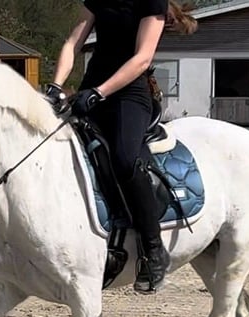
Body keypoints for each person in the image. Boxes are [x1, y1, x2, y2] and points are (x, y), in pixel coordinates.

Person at [45, 1, 198, 294]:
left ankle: (152, 248)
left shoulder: (153, 1)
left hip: (129, 95)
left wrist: (100, 93)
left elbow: (142, 59)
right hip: (91, 89)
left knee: (126, 159)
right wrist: (56, 85)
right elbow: (73, 41)